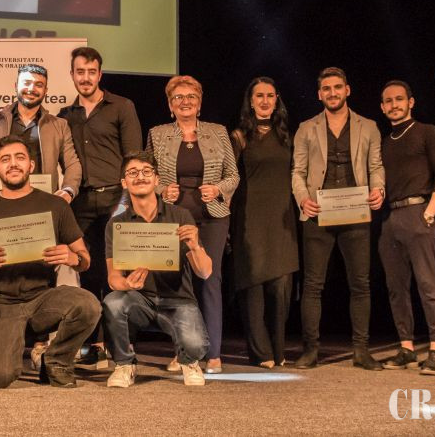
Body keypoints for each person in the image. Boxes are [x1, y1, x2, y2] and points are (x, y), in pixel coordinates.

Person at [0, 135, 99, 388]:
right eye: (5, 159)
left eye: (20, 157)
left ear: (31, 165)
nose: (13, 164)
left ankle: (56, 360)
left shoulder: (55, 205)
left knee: (88, 305)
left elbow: (85, 260)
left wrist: (72, 258)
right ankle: (9, 343)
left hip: (41, 300)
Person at [291, 67, 385, 370]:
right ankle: (310, 350)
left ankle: (361, 350)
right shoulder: (306, 128)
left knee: (360, 284)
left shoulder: (368, 126)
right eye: (327, 89)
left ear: (347, 90)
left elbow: (376, 166)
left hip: (355, 212)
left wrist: (379, 189)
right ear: (320, 94)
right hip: (318, 213)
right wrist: (303, 199)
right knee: (313, 285)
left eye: (337, 87)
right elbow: (298, 172)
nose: (332, 93)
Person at [146, 75, 238, 374]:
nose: (185, 102)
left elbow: (233, 175)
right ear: (170, 105)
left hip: (212, 216)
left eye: (191, 97)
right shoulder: (158, 134)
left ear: (199, 103)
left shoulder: (218, 132)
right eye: (178, 97)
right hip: (174, 216)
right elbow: (148, 174)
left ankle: (213, 354)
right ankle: (184, 351)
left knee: (210, 280)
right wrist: (162, 190)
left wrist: (219, 189)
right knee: (178, 285)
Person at [57, 47, 142, 369]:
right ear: (72, 75)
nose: (85, 78)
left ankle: (121, 344)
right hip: (80, 202)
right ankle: (94, 344)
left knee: (119, 271)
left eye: (91, 72)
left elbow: (133, 156)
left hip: (115, 200)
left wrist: (128, 202)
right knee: (88, 272)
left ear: (100, 74)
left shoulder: (122, 106)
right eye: (80, 72)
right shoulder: (65, 115)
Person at [103, 151, 211, 388]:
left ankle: (188, 360)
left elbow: (205, 272)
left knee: (196, 345)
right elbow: (113, 278)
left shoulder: (180, 215)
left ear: (156, 180)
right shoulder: (117, 224)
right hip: (139, 299)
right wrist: (126, 284)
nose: (140, 177)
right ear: (124, 182)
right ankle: (125, 364)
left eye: (146, 172)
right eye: (132, 173)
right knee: (113, 302)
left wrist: (195, 246)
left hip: (178, 300)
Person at [376, 80, 435, 375]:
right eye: (388, 101)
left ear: (411, 102)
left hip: (419, 212)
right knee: (396, 287)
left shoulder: (427, 132)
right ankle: (406, 348)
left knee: (428, 284)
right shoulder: (384, 142)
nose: (394, 105)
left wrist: (430, 212)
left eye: (399, 99)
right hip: (390, 218)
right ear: (382, 107)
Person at [229, 77, 298, 369]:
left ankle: (278, 350)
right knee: (253, 286)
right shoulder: (239, 137)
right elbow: (229, 179)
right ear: (251, 100)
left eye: (270, 95)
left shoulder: (287, 136)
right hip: (250, 219)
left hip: (281, 221)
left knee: (281, 288)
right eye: (259, 95)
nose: (265, 101)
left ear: (277, 99)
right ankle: (260, 352)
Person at [0, 64, 81, 202]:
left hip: (44, 202)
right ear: (16, 86)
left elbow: (72, 163)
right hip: (3, 203)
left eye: (39, 85)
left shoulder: (59, 125)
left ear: (45, 91)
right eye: (27, 83)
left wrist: (69, 190)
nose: (32, 89)